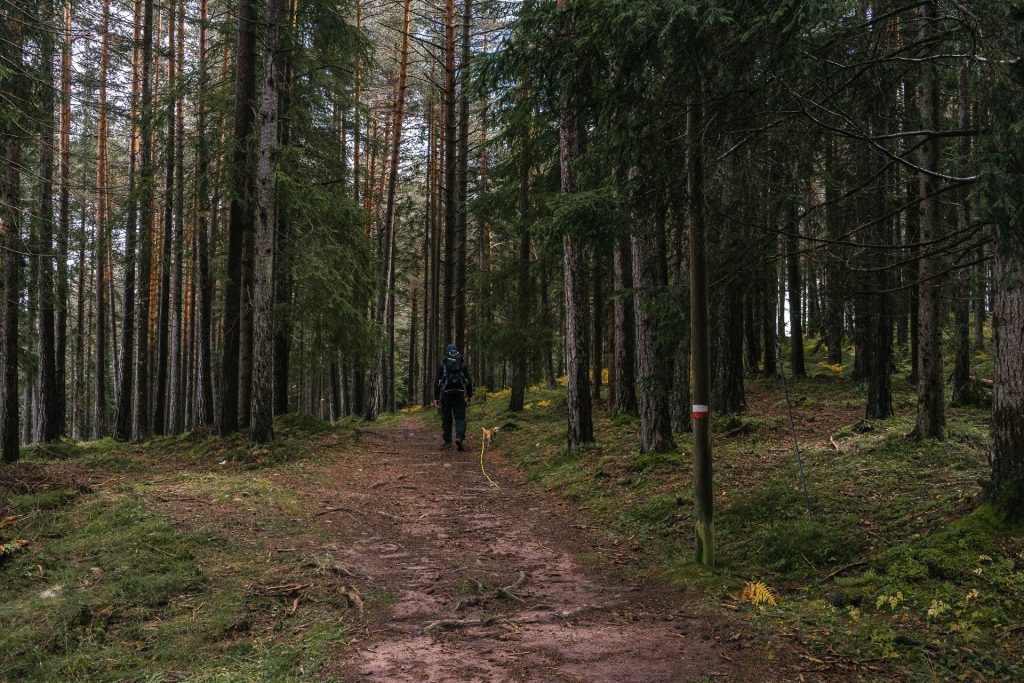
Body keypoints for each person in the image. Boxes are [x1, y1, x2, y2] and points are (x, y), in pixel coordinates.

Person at [433, 343, 473, 450]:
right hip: (459, 394)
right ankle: (459, 437)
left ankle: (448, 441)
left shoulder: (443, 364)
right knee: (460, 417)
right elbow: (468, 381)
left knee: (446, 417)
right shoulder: (462, 364)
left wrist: (436, 397)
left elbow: (437, 382)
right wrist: (469, 395)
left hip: (445, 394)